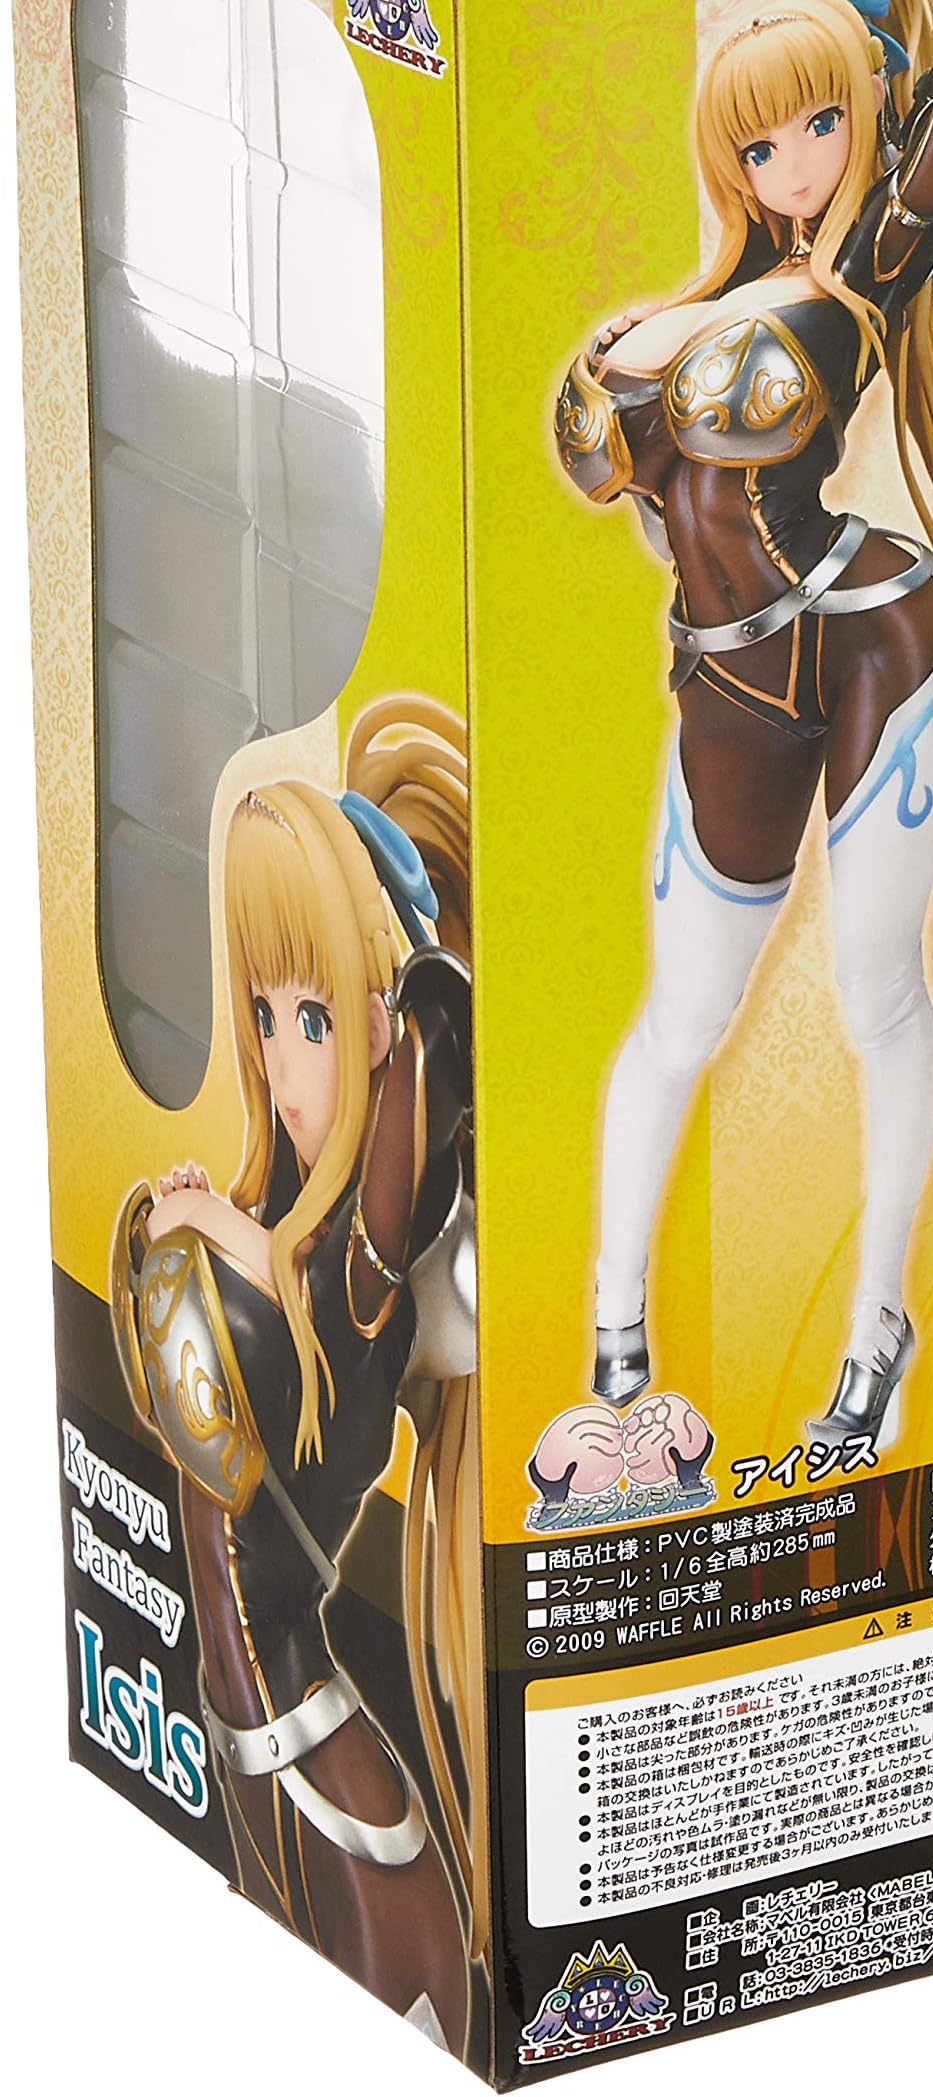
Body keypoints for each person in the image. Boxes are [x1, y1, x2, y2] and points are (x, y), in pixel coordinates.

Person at [553, 0, 933, 1448]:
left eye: (818, 126)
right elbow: (610, 458)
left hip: (869, 641)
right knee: (679, 1015)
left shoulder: (861, 276)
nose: (790, 166)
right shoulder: (691, 303)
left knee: (871, 988)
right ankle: (611, 1329)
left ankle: (875, 1324)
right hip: (724, 678)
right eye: (759, 144)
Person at [110, 700, 482, 2054]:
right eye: (263, 1015)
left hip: (318, 1756)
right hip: (230, 1746)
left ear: (377, 1025)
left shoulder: (359, 1276)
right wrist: (191, 1225)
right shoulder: (277, 1223)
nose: (276, 1062)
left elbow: (437, 1037)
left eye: (311, 1016)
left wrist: (205, 1226)